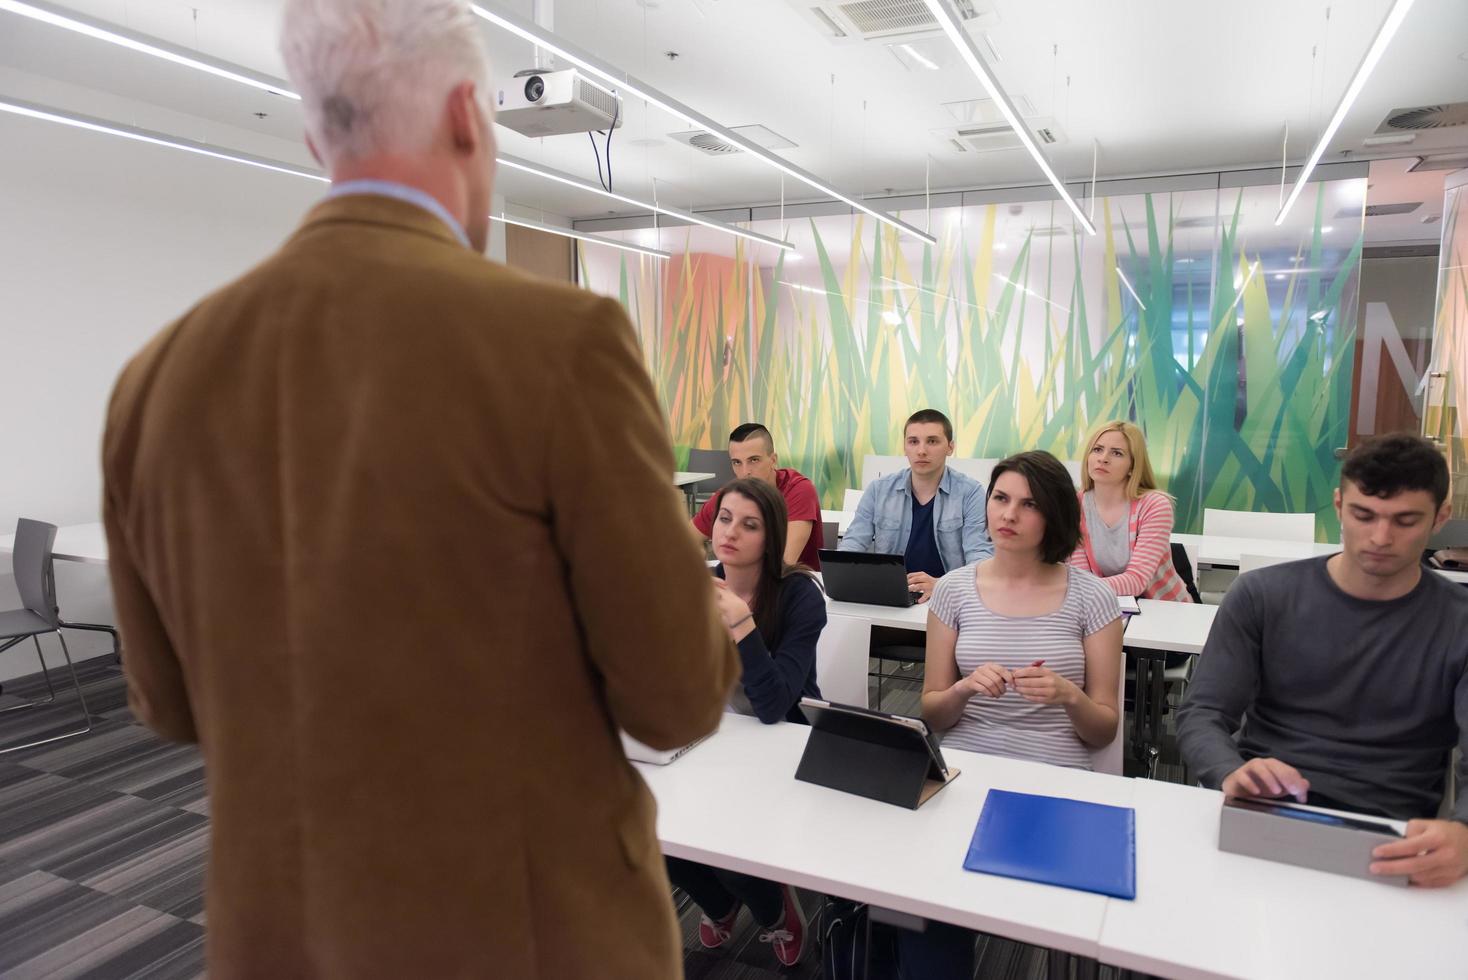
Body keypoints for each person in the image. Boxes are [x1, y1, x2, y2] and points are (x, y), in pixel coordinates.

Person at [99, 0, 738, 975]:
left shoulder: (152, 381)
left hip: (274, 938)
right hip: (524, 940)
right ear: (465, 117)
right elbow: (677, 698)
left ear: (316, 134)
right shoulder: (561, 343)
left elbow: (170, 704)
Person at [1178, 434, 1468, 888]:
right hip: (1264, 811)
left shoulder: (1458, 622)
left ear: (1441, 518)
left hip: (1392, 835)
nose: (1380, 537)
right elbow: (1202, 713)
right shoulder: (1261, 596)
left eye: (1406, 521)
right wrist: (1229, 770)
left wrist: (1464, 830)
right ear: (1338, 504)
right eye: (1362, 514)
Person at [911, 450, 1123, 977]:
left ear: (1052, 517)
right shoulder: (954, 590)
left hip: (1051, 783)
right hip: (961, 775)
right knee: (913, 904)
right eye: (1000, 499)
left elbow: (1104, 730)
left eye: (1028, 505)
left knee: (1035, 904)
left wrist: (1068, 696)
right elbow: (932, 713)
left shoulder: (1092, 597)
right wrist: (962, 688)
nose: (1008, 515)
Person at [667, 477, 826, 966]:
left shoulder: (800, 595)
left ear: (772, 537)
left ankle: (776, 914)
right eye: (725, 518)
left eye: (749, 525)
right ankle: (719, 905)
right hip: (708, 740)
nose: (730, 532)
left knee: (728, 850)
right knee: (653, 835)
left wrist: (741, 623)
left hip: (782, 745)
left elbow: (776, 706)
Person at [839, 409, 993, 603]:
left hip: (948, 599)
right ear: (905, 447)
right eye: (913, 441)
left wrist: (942, 585)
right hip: (890, 596)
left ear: (950, 447)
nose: (921, 450)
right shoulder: (879, 490)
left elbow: (980, 558)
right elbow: (852, 545)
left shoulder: (971, 493)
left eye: (932, 441)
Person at [1068, 420, 1193, 602]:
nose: (1103, 458)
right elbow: (1081, 575)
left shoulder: (1155, 505)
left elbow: (1137, 580)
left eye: (1117, 453)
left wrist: (1079, 589)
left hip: (1163, 612)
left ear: (1132, 466)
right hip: (1102, 606)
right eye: (1097, 449)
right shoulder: (1074, 505)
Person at [691, 422, 824, 569]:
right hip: (743, 583)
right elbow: (684, 541)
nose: (745, 471)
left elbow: (783, 564)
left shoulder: (799, 490)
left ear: (773, 460)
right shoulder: (729, 496)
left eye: (754, 460)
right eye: (737, 462)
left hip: (795, 584)